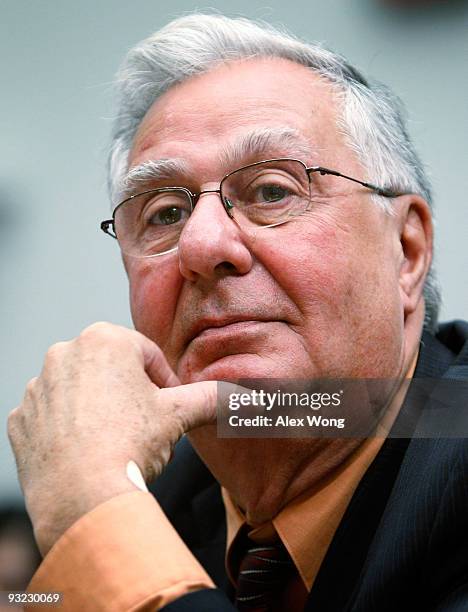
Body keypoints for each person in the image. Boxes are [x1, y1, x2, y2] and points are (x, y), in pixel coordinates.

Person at [8, 13, 468, 612]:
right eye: (165, 213)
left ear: (405, 252)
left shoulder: (109, 505)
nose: (200, 247)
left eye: (273, 191)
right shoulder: (167, 489)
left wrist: (93, 520)